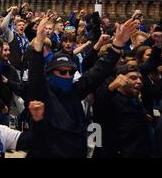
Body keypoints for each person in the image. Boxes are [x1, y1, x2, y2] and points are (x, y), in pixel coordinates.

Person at [27, 15, 138, 157]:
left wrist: (116, 45)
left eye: (71, 72)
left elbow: (97, 72)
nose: (68, 75)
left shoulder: (75, 91)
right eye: (62, 72)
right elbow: (35, 79)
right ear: (50, 74)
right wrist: (38, 47)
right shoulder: (44, 96)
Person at [93, 64, 152, 157]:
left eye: (141, 78)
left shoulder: (134, 99)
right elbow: (99, 106)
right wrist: (111, 87)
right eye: (133, 78)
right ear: (120, 80)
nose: (139, 81)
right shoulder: (111, 100)